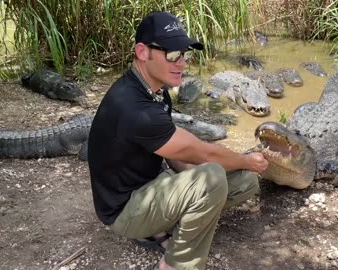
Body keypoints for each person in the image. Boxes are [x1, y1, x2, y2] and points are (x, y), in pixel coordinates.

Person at [87, 11, 269, 270]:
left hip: (152, 187)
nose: (181, 62)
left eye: (184, 53)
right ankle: (176, 264)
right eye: (172, 54)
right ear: (142, 52)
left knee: (244, 181)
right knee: (214, 177)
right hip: (124, 211)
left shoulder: (156, 92)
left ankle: (162, 227)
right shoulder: (133, 106)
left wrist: (192, 179)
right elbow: (199, 151)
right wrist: (244, 161)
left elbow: (175, 152)